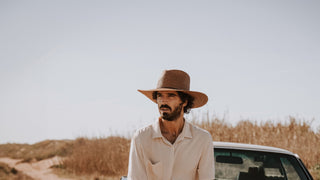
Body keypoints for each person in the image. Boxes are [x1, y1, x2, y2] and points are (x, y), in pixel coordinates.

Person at [127, 69, 214, 180]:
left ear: (185, 101)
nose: (163, 101)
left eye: (170, 96)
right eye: (160, 96)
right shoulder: (141, 138)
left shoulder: (202, 139)